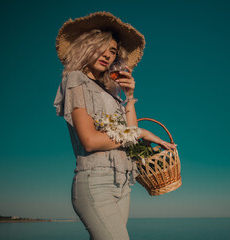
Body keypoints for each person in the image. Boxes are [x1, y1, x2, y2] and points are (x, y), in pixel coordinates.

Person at [53, 12, 176, 240]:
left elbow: (129, 136)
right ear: (87, 46)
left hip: (122, 183)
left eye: (113, 52)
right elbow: (89, 141)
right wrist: (137, 133)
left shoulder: (113, 95)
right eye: (103, 47)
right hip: (95, 182)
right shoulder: (75, 81)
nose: (108, 55)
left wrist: (129, 97)